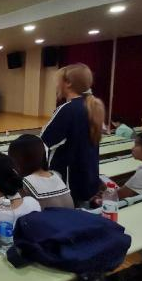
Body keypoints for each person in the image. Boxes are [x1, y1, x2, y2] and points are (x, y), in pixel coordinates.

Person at [41, 63, 105, 207]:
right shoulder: (92, 108)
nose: (56, 86)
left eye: (58, 82)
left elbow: (43, 143)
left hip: (69, 186)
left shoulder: (68, 110)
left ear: (68, 83)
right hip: (88, 180)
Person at [8, 135, 74, 209]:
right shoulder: (56, 175)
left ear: (18, 160)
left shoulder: (24, 184)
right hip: (72, 215)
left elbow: (16, 211)